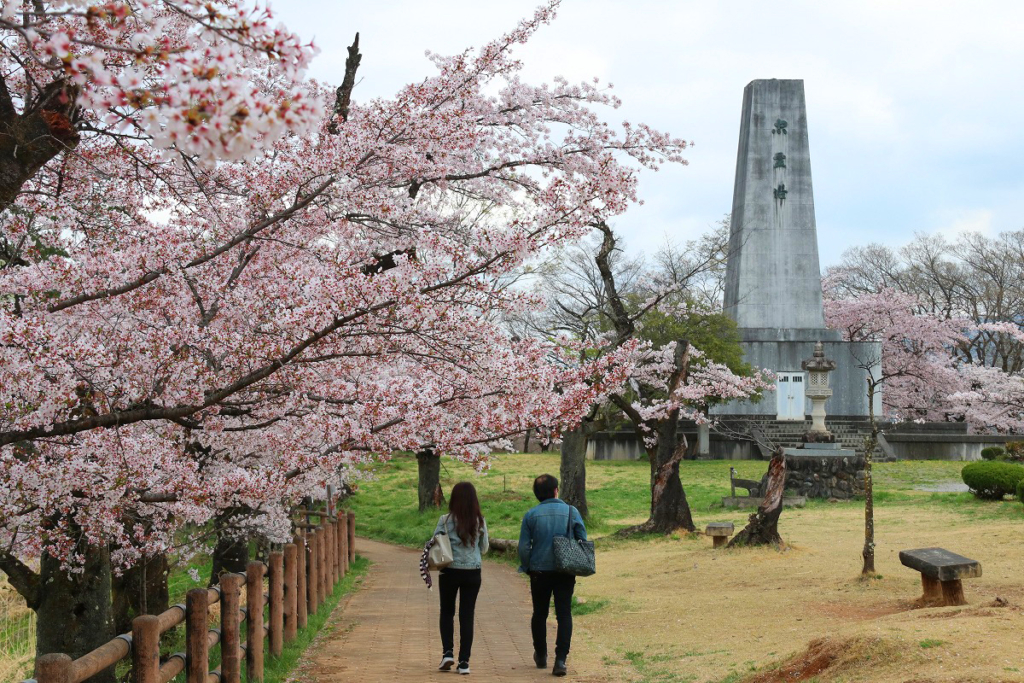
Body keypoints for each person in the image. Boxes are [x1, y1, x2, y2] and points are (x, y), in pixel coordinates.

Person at [518, 474, 586, 677]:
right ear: (556, 490)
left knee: (540, 613)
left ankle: (540, 654)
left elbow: (523, 547)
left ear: (537, 494)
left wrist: (527, 566)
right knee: (564, 613)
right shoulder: (571, 512)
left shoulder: (531, 515)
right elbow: (582, 538)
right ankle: (561, 659)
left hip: (539, 570)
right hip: (565, 570)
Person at [435, 481, 489, 675]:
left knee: (447, 612)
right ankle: (464, 662)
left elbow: (435, 543)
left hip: (449, 571)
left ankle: (447, 653)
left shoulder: (444, 520)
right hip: (473, 572)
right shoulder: (480, 520)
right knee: (467, 615)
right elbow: (484, 548)